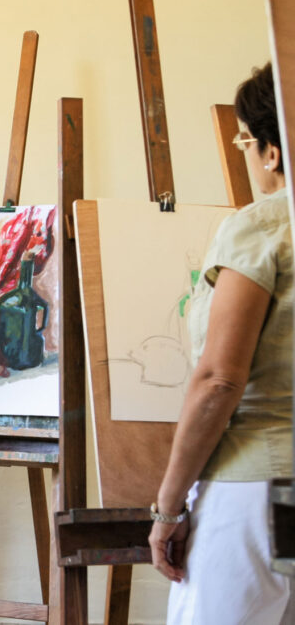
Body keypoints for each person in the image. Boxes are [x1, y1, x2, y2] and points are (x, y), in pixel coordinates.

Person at [149, 63, 293, 623]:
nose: (246, 154)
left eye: (244, 140)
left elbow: (219, 380)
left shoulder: (262, 226)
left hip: (254, 487)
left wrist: (166, 507)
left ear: (272, 151)